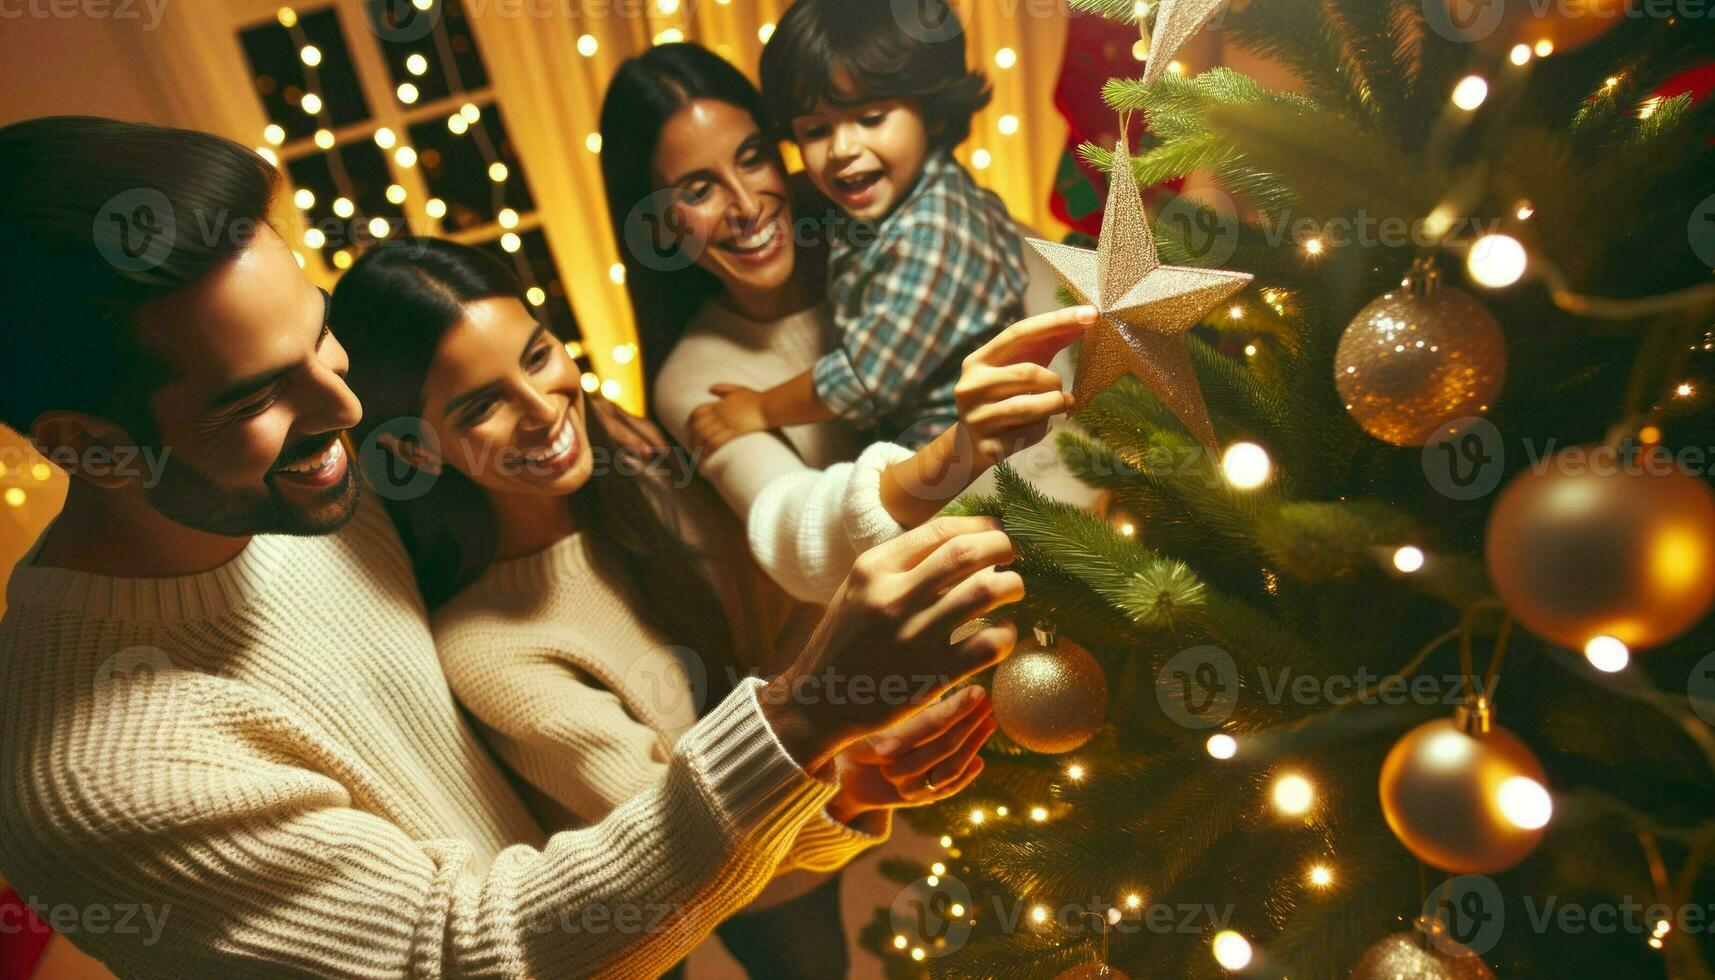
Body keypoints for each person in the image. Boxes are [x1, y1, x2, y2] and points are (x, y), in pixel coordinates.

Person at [0, 115, 1023, 978]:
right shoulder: (97, 779)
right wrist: (799, 716)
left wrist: (834, 777)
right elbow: (470, 946)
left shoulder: (312, 486)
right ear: (86, 445)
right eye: (258, 395)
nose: (344, 405)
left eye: (316, 337)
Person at [332, 237, 1002, 977]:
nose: (543, 410)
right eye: (481, 405)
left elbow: (778, 597)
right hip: (690, 877)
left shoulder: (628, 448)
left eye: (536, 356)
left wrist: (857, 741)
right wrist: (847, 782)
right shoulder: (488, 647)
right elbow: (684, 836)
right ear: (419, 450)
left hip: (802, 803)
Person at [604, 43, 1091, 603]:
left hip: (1109, 517)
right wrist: (960, 451)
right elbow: (799, 536)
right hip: (986, 602)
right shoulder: (695, 377)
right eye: (698, 189)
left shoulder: (877, 210)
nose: (745, 205)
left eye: (753, 157)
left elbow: (1068, 306)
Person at [686, 0, 1030, 452]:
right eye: (815, 131)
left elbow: (860, 379)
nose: (841, 149)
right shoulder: (894, 191)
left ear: (934, 113)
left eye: (870, 119)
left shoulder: (936, 238)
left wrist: (761, 408)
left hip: (966, 443)